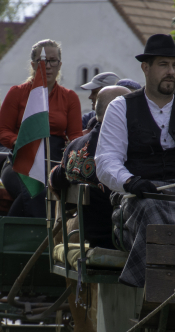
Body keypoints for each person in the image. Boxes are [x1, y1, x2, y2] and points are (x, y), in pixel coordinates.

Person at [95, 33, 175, 287]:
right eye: (163, 65)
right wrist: (130, 181)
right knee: (152, 212)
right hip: (136, 198)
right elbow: (107, 160)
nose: (171, 72)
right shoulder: (120, 107)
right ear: (146, 68)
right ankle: (160, 290)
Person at [0, 39, 83, 218]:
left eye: (53, 61)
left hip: (55, 162)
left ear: (60, 65)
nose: (48, 66)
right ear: (33, 64)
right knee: (33, 191)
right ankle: (20, 241)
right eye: (42, 61)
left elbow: (76, 137)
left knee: (56, 191)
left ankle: (13, 237)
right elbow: (3, 132)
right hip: (20, 161)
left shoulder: (70, 97)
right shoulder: (16, 93)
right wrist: (25, 143)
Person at [50, 85, 131, 249]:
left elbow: (56, 179)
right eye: (131, 106)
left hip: (92, 238)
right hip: (123, 240)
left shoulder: (75, 146)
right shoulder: (130, 146)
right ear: (116, 110)